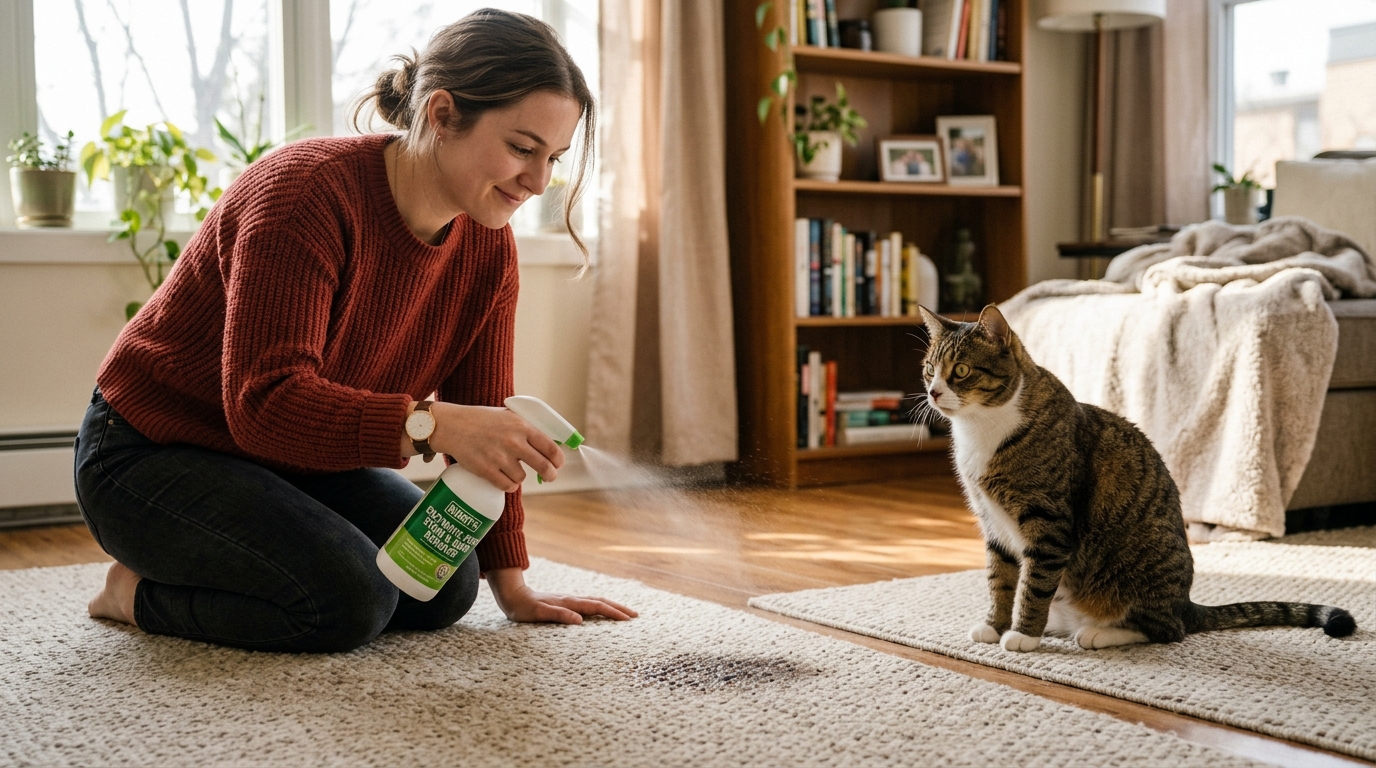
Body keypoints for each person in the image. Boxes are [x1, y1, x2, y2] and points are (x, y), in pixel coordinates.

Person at [75, 9, 636, 654]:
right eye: (521, 148)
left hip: (296, 462)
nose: (538, 182)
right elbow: (264, 406)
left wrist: (512, 588)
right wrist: (435, 423)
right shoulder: (302, 194)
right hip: (147, 452)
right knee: (348, 600)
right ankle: (132, 594)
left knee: (444, 584)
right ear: (443, 113)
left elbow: (485, 424)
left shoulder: (488, 249)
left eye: (554, 158)